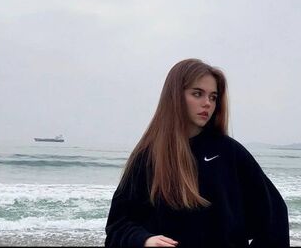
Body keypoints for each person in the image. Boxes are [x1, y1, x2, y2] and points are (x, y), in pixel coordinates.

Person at [105, 58, 289, 247]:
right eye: (197, 94)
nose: (207, 103)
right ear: (175, 96)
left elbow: (275, 215)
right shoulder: (148, 156)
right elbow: (118, 226)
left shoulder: (229, 152)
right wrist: (144, 240)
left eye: (213, 97)